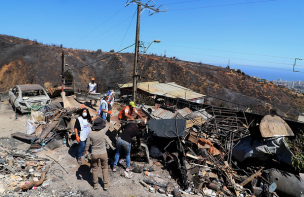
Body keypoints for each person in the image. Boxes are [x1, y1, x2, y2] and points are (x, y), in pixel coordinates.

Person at [85, 117, 110, 190]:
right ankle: (105, 184)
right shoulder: (103, 131)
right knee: (105, 168)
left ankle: (95, 184)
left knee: (94, 169)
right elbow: (107, 125)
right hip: (103, 153)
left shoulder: (90, 133)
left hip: (94, 154)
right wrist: (104, 123)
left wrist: (86, 151)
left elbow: (87, 144)